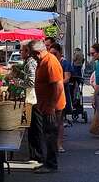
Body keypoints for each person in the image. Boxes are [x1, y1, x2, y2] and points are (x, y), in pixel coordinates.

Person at [29, 39, 66, 174]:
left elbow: (58, 85)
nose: (32, 57)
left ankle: (51, 164)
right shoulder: (42, 61)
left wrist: (51, 105)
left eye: (32, 55)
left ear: (37, 53)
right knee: (47, 134)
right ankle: (47, 162)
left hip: (52, 107)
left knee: (50, 135)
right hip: (46, 106)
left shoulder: (50, 61)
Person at [17, 41, 41, 163]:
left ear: (27, 51)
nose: (19, 52)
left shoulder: (31, 63)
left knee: (35, 128)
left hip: (33, 99)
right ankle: (34, 154)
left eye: (21, 50)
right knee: (32, 128)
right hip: (31, 98)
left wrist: (17, 83)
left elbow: (31, 82)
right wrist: (19, 73)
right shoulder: (27, 62)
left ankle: (37, 155)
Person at [49, 43, 72, 153]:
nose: (53, 55)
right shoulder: (50, 62)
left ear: (60, 53)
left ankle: (59, 144)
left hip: (61, 93)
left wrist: (55, 83)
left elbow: (67, 78)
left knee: (59, 121)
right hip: (51, 95)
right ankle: (52, 144)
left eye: (55, 53)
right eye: (51, 53)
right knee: (52, 122)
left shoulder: (65, 63)